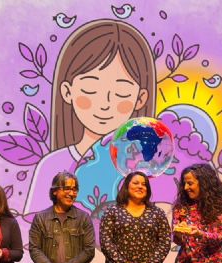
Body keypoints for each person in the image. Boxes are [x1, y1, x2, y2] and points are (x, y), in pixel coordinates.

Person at [24, 19, 156, 218]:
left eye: (121, 92)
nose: (105, 103)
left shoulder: (143, 168)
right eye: (90, 89)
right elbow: (34, 225)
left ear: (140, 98)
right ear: (67, 91)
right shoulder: (51, 165)